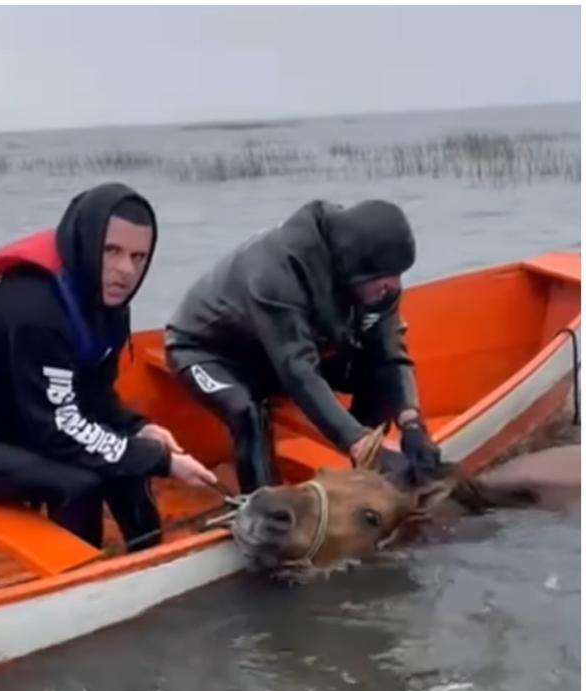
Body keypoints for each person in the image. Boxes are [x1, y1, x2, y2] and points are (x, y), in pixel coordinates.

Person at [0, 182, 219, 566]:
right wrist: (163, 462)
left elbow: (94, 395)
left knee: (126, 453)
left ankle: (150, 556)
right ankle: (84, 580)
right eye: (112, 251)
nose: (126, 270)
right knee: (78, 484)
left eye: (138, 257)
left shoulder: (104, 296)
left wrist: (139, 429)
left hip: (24, 415)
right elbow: (58, 430)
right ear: (89, 242)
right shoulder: (36, 308)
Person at [163, 199, 442, 495]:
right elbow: (297, 370)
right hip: (208, 352)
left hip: (276, 352)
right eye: (385, 280)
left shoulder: (377, 283)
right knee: (248, 413)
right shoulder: (274, 272)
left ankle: (360, 478)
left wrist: (412, 423)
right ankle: (261, 509)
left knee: (375, 374)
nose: (394, 287)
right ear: (355, 267)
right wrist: (357, 442)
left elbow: (389, 354)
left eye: (398, 276)